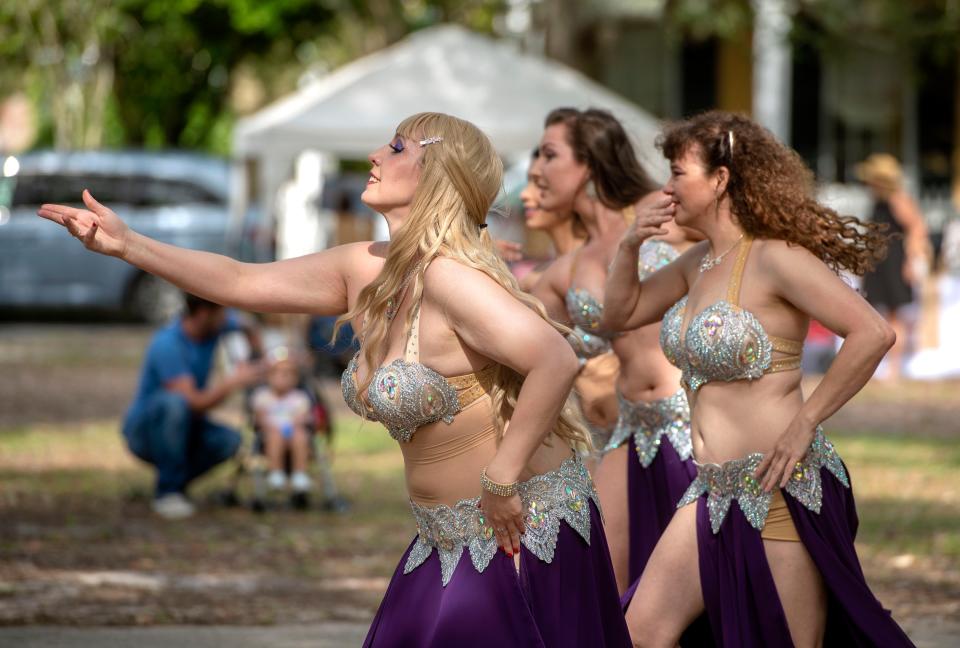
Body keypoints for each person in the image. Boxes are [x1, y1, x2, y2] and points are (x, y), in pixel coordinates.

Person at [38, 112, 631, 647]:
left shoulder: (452, 280)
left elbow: (554, 359)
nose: (375, 154)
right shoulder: (363, 267)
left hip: (518, 531)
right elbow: (241, 281)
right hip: (443, 539)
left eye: (396, 146)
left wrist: (502, 477)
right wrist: (129, 245)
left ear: (436, 176)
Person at [604, 111, 912, 646]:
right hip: (711, 489)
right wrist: (630, 243)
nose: (667, 186)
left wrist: (806, 421)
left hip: (778, 486)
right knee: (639, 630)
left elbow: (871, 333)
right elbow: (620, 314)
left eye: (678, 172)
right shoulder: (697, 262)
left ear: (720, 179)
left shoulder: (775, 258)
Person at [532, 108, 704, 600]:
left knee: (700, 583)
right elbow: (521, 332)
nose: (537, 170)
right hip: (630, 430)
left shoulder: (661, 208)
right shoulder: (570, 265)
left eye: (549, 154)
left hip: (692, 423)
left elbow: (740, 246)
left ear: (588, 163)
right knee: (602, 572)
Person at [121, 293, 263, 519]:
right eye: (222, 312)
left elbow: (247, 323)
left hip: (186, 426)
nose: (227, 317)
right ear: (204, 313)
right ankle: (167, 493)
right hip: (146, 430)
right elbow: (194, 403)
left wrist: (256, 353)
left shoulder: (214, 325)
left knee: (230, 441)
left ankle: (173, 481)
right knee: (175, 404)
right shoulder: (167, 344)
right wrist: (232, 383)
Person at [856, 153, 930, 380]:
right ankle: (882, 367)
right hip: (880, 264)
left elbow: (917, 228)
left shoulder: (898, 200)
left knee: (895, 316)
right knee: (878, 314)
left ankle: (894, 369)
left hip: (894, 264)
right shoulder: (879, 200)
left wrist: (911, 260)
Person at [517, 147, 586, 292]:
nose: (524, 194)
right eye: (528, 182)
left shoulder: (599, 266)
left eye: (540, 184)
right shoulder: (534, 276)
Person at [251, 349, 313, 494]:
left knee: (300, 436)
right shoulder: (262, 396)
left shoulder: (299, 398)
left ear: (296, 378)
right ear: (269, 376)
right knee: (274, 436)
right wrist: (268, 425)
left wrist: (295, 423)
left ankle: (300, 474)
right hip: (271, 432)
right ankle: (275, 472)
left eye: (289, 373)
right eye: (278, 373)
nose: (283, 377)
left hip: (293, 430)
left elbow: (304, 415)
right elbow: (259, 417)